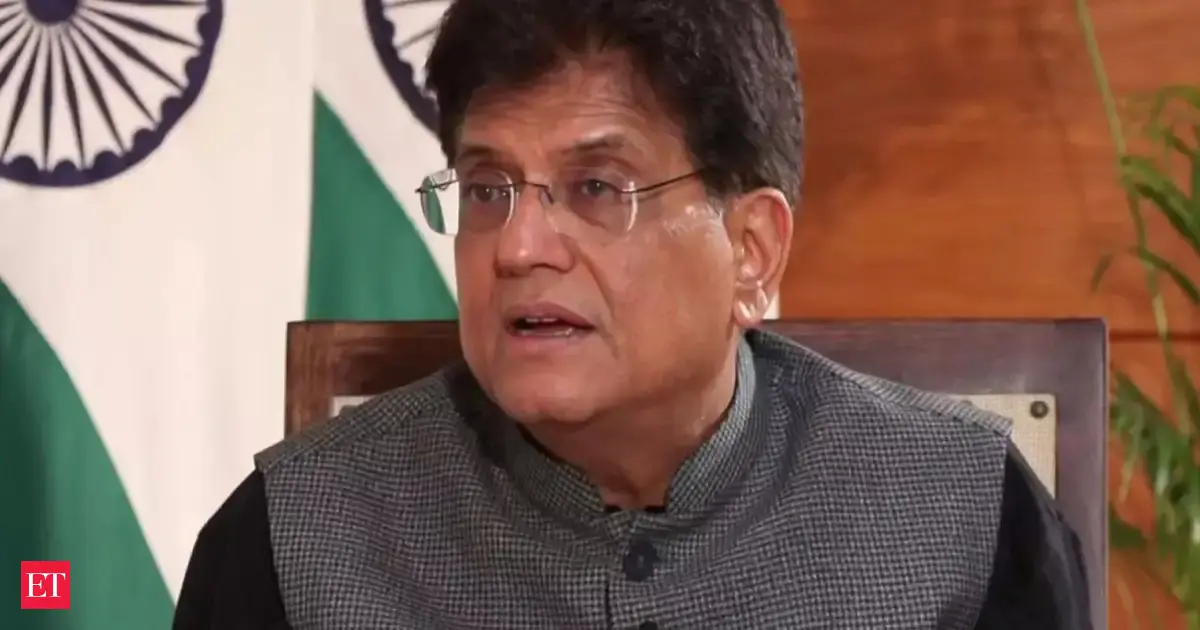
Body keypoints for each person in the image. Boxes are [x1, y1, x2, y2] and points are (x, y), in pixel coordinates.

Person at [173, 0, 1092, 627]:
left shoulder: (967, 520)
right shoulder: (291, 544)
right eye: (488, 189)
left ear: (752, 250)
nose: (517, 247)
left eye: (596, 187)